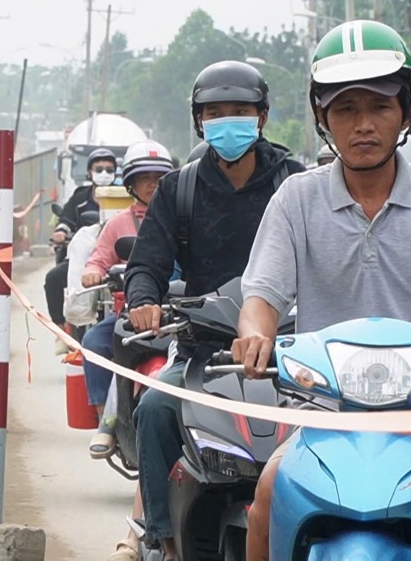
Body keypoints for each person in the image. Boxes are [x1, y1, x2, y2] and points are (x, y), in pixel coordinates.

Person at [232, 20, 411, 561]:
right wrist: (254, 335)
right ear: (323, 119)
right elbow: (262, 297)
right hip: (326, 416)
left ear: (406, 112)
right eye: (345, 109)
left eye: (380, 107)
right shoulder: (296, 200)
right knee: (268, 497)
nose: (363, 125)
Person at [123, 60, 305, 560]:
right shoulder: (178, 189)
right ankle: (161, 540)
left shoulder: (295, 183)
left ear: (263, 117)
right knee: (156, 409)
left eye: (241, 111)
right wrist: (143, 301)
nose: (228, 122)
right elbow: (147, 264)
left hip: (292, 353)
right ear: (198, 120)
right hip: (205, 351)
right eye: (215, 113)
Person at [80, 140, 176, 459]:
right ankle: (105, 422)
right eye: (144, 178)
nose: (152, 185)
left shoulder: (182, 218)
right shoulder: (118, 224)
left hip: (181, 313)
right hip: (129, 315)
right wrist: (93, 272)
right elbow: (99, 258)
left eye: (159, 178)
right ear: (131, 184)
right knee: (95, 342)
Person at [43, 147, 118, 349]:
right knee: (53, 279)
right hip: (80, 260)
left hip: (115, 259)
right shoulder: (80, 197)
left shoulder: (125, 195)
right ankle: (62, 332)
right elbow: (66, 219)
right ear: (89, 172)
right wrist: (61, 231)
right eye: (99, 169)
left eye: (109, 170)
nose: (104, 174)